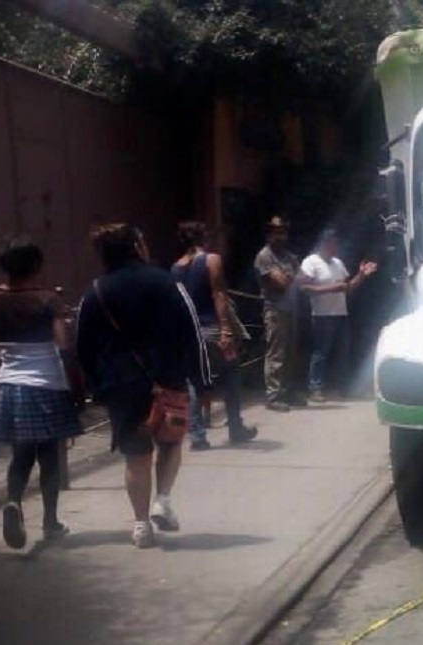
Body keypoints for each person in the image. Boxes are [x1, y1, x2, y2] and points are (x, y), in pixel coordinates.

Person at [76, 224, 210, 549]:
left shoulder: (96, 291)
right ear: (137, 246)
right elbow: (192, 330)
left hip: (122, 387)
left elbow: (83, 346)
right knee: (170, 444)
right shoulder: (166, 282)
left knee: (135, 457)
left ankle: (140, 526)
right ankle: (162, 500)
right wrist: (202, 379)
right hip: (169, 380)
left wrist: (96, 388)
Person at [0, 236, 84, 549]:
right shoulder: (47, 299)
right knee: (49, 458)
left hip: (10, 385)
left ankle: (13, 501)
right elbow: (63, 344)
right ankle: (50, 522)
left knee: (21, 454)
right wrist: (78, 388)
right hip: (45, 385)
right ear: (36, 265)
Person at [172, 221, 258, 451]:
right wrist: (226, 329)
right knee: (231, 376)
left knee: (193, 382)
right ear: (203, 238)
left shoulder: (175, 268)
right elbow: (218, 294)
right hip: (212, 329)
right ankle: (236, 428)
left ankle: (198, 435)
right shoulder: (212, 260)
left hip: (190, 332)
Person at [300, 228, 378, 401]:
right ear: (323, 243)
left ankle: (343, 387)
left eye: (336, 243)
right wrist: (331, 288)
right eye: (332, 243)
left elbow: (348, 288)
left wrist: (362, 275)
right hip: (321, 315)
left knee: (343, 352)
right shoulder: (310, 262)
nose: (335, 246)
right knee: (321, 352)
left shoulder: (337, 263)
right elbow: (304, 288)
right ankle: (315, 388)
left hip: (340, 314)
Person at [254, 216, 302, 412]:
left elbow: (303, 279)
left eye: (283, 231)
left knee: (291, 353)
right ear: (269, 234)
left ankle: (288, 392)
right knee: (276, 353)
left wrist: (291, 276)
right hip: (274, 309)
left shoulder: (287, 256)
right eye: (277, 231)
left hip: (291, 308)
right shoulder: (264, 256)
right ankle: (273, 396)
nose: (281, 235)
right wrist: (293, 275)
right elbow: (282, 283)